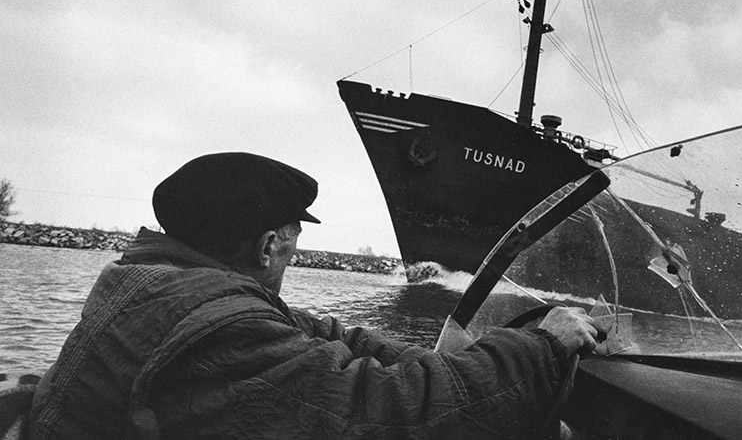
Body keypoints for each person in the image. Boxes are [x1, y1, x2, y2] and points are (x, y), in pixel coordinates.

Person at [28, 152, 597, 438]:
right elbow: (392, 410)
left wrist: (441, 361)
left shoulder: (157, 284)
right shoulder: (224, 330)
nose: (292, 255)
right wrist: (541, 347)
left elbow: (322, 333)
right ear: (270, 245)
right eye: (295, 242)